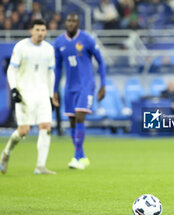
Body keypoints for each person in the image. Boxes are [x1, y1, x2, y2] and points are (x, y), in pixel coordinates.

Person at [0, 19, 56, 175]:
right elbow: (12, 70)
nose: (40, 33)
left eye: (43, 30)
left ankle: (40, 166)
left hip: (43, 94)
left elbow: (51, 73)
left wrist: (51, 95)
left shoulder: (49, 49)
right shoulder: (21, 47)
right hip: (25, 95)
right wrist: (14, 89)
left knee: (46, 127)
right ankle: (6, 152)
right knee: (23, 131)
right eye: (37, 29)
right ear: (31, 30)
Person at [53, 13, 106, 170]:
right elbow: (57, 68)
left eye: (74, 21)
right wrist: (54, 89)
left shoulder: (87, 39)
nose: (71, 23)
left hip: (86, 85)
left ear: (78, 23)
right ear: (65, 22)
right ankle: (82, 156)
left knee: (80, 117)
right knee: (72, 121)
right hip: (69, 87)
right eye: (68, 20)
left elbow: (101, 61)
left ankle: (76, 157)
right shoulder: (59, 42)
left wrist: (103, 84)